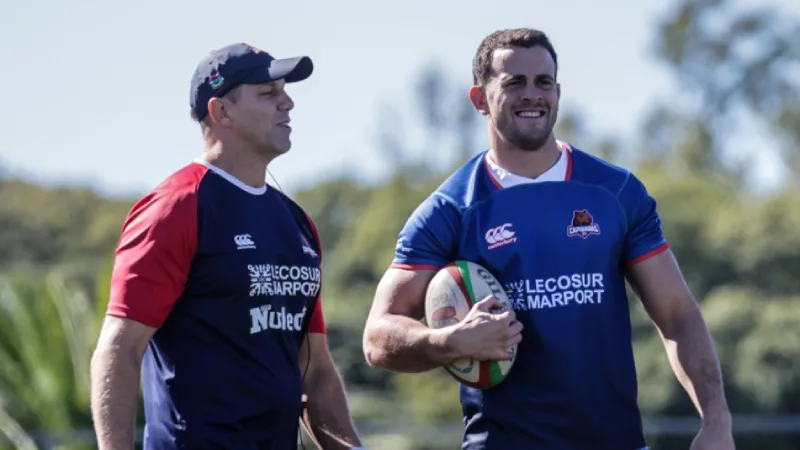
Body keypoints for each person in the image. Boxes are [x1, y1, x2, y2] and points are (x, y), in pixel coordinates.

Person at [362, 28, 734, 450]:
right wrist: (447, 342)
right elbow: (377, 337)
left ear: (557, 92)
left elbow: (678, 315)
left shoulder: (615, 193)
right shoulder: (450, 210)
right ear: (480, 99)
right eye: (513, 83)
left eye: (543, 82)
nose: (532, 94)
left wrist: (717, 421)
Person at [90, 43, 364, 450]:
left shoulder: (297, 224)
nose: (287, 103)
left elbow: (316, 371)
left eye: (284, 91)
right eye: (268, 93)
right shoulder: (176, 208)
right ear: (222, 112)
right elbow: (119, 347)